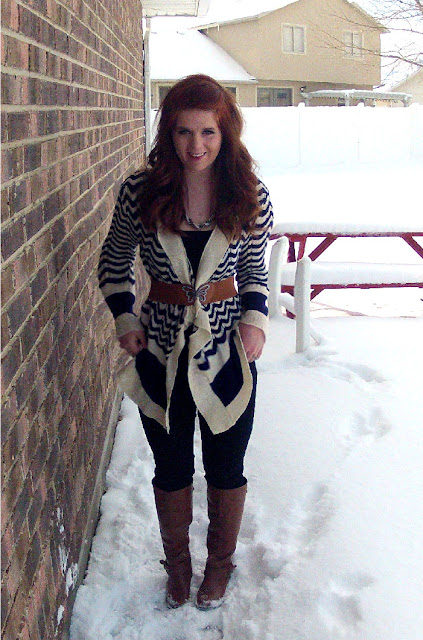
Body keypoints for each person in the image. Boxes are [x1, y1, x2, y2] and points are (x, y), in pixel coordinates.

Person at [98, 74, 273, 610]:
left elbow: (255, 270)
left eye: (208, 132)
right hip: (161, 353)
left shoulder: (249, 194)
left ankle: (219, 566)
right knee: (171, 466)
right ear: (168, 133)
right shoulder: (141, 192)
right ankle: (177, 567)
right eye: (183, 132)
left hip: (226, 355)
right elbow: (114, 260)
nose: (196, 145)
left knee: (226, 465)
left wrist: (255, 320)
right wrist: (126, 318)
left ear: (226, 134)